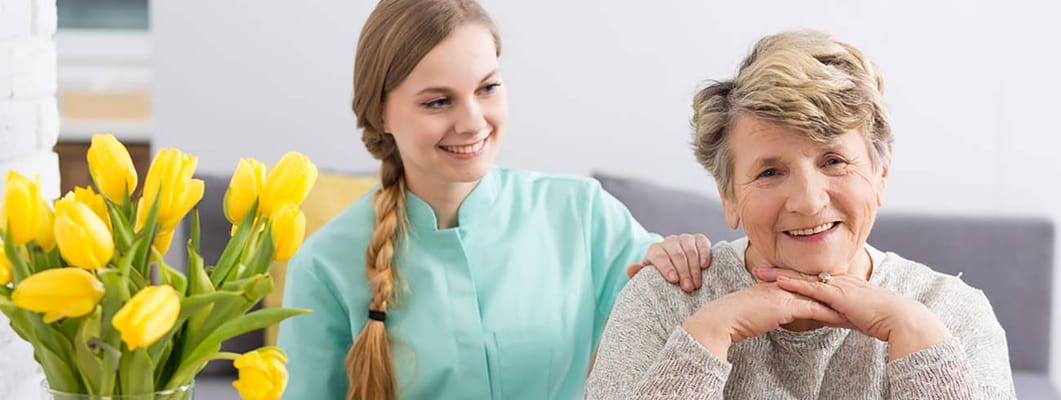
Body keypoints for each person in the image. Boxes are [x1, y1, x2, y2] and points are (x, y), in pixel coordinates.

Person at [276, 1, 716, 399]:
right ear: (381, 113)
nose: (472, 122)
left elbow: (682, 307)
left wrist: (683, 259)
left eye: (487, 88)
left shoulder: (582, 214)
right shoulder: (323, 266)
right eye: (438, 102)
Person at [585, 30, 1016, 399]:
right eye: (770, 172)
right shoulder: (662, 300)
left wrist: (916, 336)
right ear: (729, 196)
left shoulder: (953, 314)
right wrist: (709, 334)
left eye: (834, 161)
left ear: (880, 175)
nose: (808, 202)